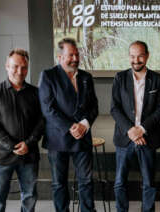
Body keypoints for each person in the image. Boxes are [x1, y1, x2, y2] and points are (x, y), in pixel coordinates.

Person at [39, 38, 98, 212]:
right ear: (59, 57)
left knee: (86, 181)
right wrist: (71, 127)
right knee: (59, 183)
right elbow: (47, 108)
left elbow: (94, 106)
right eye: (70, 54)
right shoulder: (48, 75)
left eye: (77, 54)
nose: (75, 58)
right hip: (58, 139)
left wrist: (84, 124)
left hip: (83, 137)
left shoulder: (86, 77)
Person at [0, 48, 44, 212]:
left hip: (29, 155)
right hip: (3, 156)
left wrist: (29, 143)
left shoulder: (36, 93)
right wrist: (13, 145)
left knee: (29, 197)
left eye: (24, 67)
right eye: (15, 66)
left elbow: (42, 122)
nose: (20, 71)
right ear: (7, 66)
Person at [111, 40, 160, 212]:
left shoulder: (158, 80)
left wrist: (140, 130)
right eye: (133, 56)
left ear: (147, 56)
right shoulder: (120, 78)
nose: (136, 60)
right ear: (129, 57)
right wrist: (131, 131)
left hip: (148, 137)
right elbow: (114, 108)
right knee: (120, 182)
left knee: (149, 183)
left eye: (140, 55)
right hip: (124, 138)